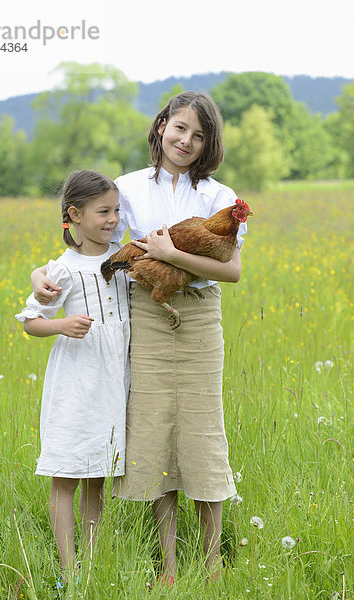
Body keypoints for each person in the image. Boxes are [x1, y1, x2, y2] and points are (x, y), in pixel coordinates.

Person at [31, 92, 247, 586]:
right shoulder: (127, 189)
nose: (185, 141)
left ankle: (212, 562)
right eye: (179, 128)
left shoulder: (219, 196)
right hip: (147, 313)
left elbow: (231, 271)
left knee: (202, 430)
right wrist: (40, 272)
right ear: (161, 127)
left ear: (209, 144)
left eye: (198, 135)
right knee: (154, 432)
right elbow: (90, 239)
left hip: (197, 318)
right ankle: (168, 565)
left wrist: (173, 253)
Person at [15, 170, 130, 587]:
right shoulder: (61, 271)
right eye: (103, 212)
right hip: (76, 384)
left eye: (116, 210)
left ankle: (93, 563)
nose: (113, 219)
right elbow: (30, 321)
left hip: (112, 382)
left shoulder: (123, 256)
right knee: (67, 475)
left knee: (96, 475)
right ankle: (68, 568)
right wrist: (61, 325)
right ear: (75, 215)